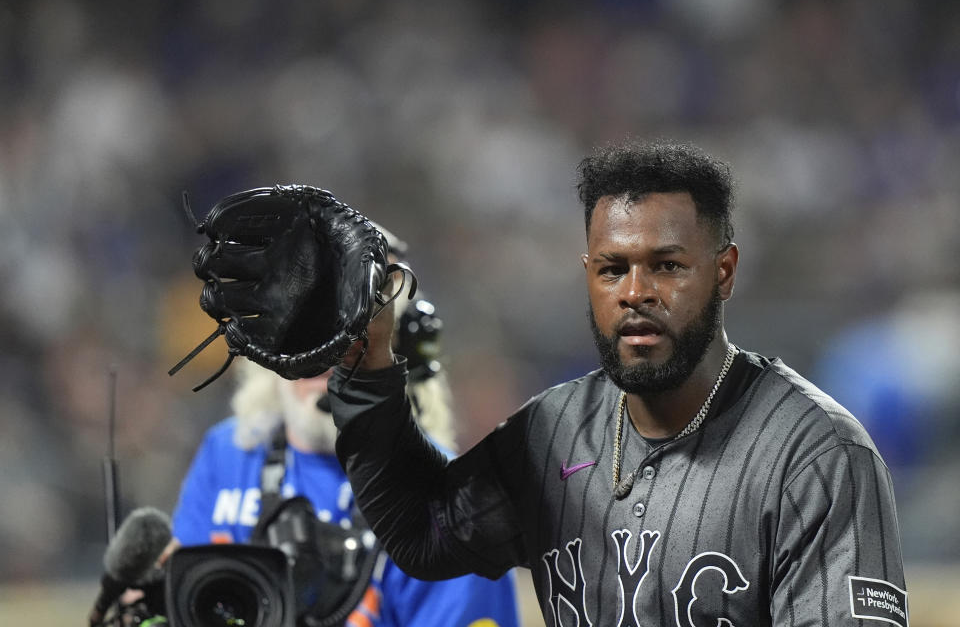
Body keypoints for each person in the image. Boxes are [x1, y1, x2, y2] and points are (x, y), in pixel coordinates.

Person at [328, 140, 908, 627]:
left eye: (667, 265)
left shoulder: (816, 455)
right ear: (588, 275)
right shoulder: (552, 432)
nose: (635, 292)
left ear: (724, 272)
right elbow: (423, 533)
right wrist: (365, 363)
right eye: (613, 269)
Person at [169, 229, 520, 627]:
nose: (318, 360)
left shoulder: (456, 502)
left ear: (398, 354)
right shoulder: (226, 454)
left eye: (346, 337)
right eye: (297, 334)